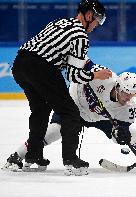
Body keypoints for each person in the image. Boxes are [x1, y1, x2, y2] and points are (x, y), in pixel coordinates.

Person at [3, 61, 136, 175]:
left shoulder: (128, 108)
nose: (128, 98)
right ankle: (16, 156)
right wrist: (89, 76)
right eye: (126, 93)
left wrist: (122, 135)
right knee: (53, 132)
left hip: (99, 117)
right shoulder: (104, 76)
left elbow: (124, 129)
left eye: (133, 95)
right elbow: (82, 62)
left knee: (132, 133)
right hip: (73, 105)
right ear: (118, 86)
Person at [11, 0, 111, 176]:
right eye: (97, 21)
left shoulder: (60, 22)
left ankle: (33, 155)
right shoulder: (80, 36)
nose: (96, 26)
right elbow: (74, 76)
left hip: (20, 63)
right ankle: (71, 160)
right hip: (42, 66)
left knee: (40, 109)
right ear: (89, 16)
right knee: (70, 112)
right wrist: (96, 75)